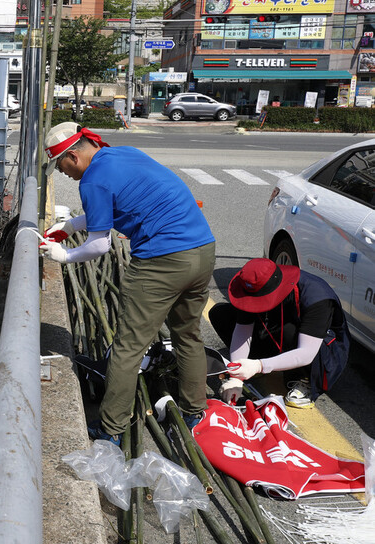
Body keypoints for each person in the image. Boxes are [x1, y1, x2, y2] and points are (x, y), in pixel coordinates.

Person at [41, 122, 216, 445]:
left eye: (61, 166)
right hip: (202, 250)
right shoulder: (123, 154)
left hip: (162, 261)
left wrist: (61, 256)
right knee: (187, 335)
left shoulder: (92, 181)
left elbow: (99, 245)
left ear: (73, 157)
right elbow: (127, 204)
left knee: (128, 348)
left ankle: (111, 429)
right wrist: (72, 225)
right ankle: (194, 413)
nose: (63, 174)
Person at [210, 259, 350, 409]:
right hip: (279, 332)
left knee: (290, 331)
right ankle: (252, 365)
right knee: (220, 314)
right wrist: (237, 376)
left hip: (319, 348)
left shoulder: (317, 297)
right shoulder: (255, 285)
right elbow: (243, 329)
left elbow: (307, 353)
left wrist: (259, 365)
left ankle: (304, 379)